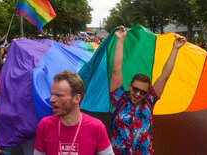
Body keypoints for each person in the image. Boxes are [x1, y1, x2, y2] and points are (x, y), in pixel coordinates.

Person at [109, 26, 186, 154]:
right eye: (135, 89)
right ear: (129, 86)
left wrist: (175, 48)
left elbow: (165, 75)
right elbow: (116, 68)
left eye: (143, 92)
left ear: (148, 92)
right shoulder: (118, 98)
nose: (138, 94)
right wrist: (121, 40)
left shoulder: (150, 100)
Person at [34, 70, 114, 155]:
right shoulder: (44, 125)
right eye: (52, 94)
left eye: (59, 95)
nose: (51, 99)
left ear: (77, 99)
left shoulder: (96, 127)